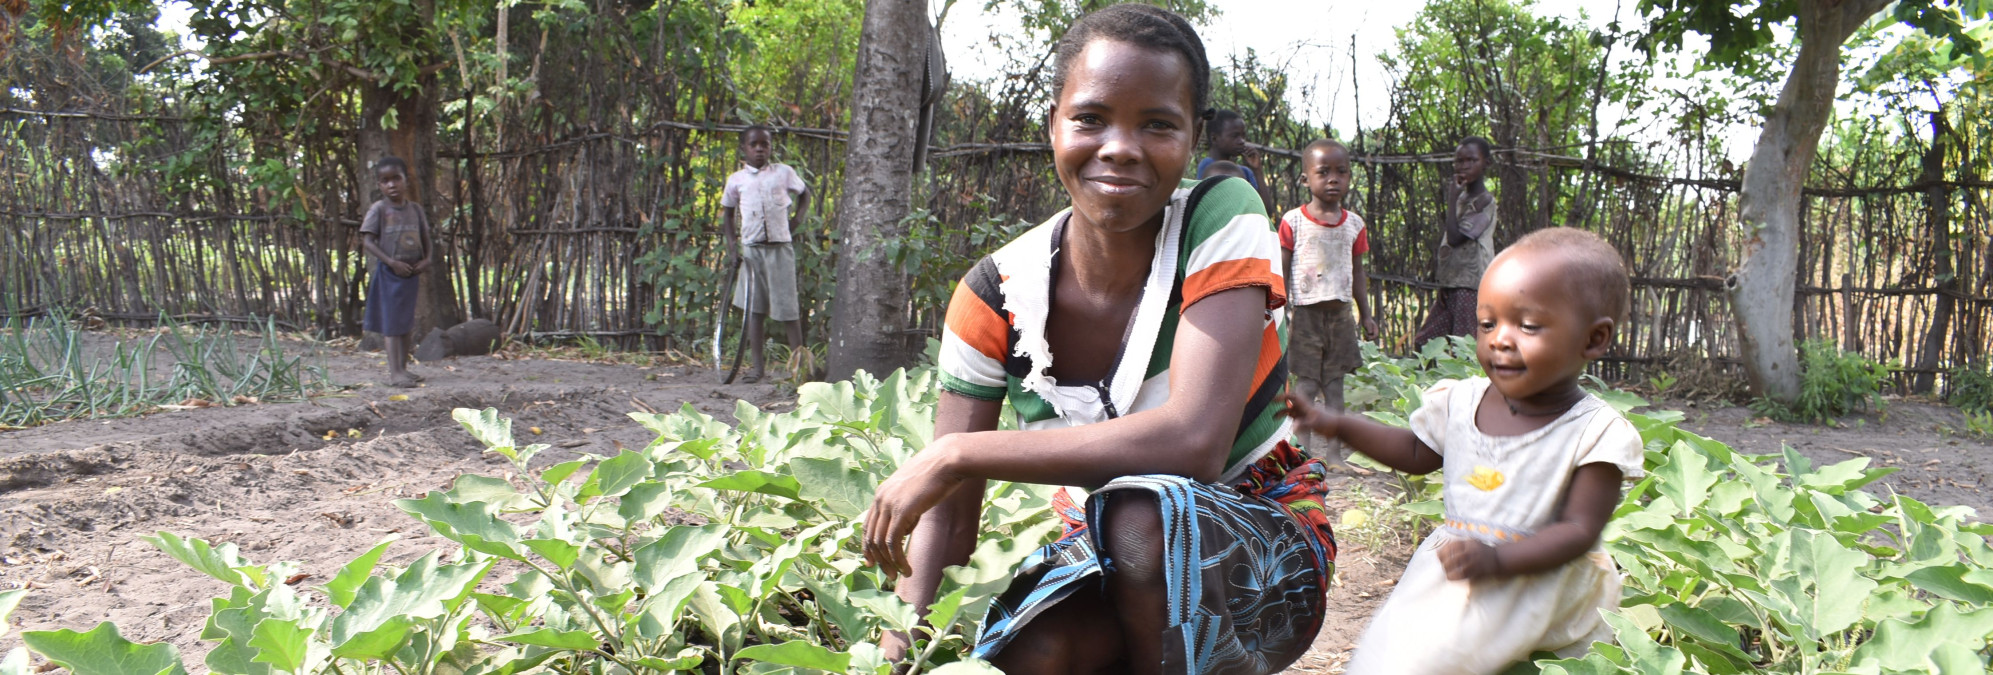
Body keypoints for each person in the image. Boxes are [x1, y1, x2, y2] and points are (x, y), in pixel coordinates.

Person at [860, 5, 1336, 673]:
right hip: (1108, 552)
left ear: (1192, 137)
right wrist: (899, 641)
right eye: (1090, 118)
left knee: (1142, 517)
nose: (1120, 146)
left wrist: (955, 452)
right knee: (1037, 645)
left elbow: (1194, 442)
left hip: (1264, 547)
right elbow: (948, 521)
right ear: (1053, 123)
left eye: (1157, 124)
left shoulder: (1219, 215)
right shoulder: (994, 295)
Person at [1280, 227, 1643, 674]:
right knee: (1395, 657)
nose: (1500, 339)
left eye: (1528, 326)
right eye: (1488, 324)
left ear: (1594, 339)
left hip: (1541, 590)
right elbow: (1415, 452)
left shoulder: (1595, 434)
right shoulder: (1461, 402)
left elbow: (1578, 529)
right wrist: (1339, 424)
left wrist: (1499, 560)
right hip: (1461, 576)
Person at [1279, 139, 1377, 464]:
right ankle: (1301, 454)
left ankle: (1335, 455)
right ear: (1305, 179)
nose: (1333, 179)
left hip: (1340, 316)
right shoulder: (1293, 221)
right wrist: (1278, 308)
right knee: (1305, 387)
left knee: (1335, 388)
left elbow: (1358, 272)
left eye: (1341, 172)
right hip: (1306, 315)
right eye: (1323, 172)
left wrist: (1366, 315)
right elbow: (1282, 269)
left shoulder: (1354, 224)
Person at [720, 124, 810, 383]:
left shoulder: (783, 173)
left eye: (764, 144)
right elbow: (728, 214)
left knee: (788, 310)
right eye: (753, 145)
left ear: (771, 147)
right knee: (754, 310)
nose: (759, 149)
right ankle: (757, 369)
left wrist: (796, 220)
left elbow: (805, 194)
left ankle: (800, 371)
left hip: (780, 249)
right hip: (752, 251)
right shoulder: (736, 180)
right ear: (744, 148)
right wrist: (733, 247)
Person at [1414, 136, 1497, 348]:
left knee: (1465, 346)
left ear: (1486, 163)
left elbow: (1455, 238)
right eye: (1460, 161)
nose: (1464, 166)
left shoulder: (1484, 201)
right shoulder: (1461, 199)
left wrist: (1451, 199)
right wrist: (1445, 283)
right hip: (1452, 284)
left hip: (1470, 286)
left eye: (1472, 160)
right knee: (1425, 343)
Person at [359, 156, 433, 388]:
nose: (391, 185)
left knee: (405, 323)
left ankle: (403, 367)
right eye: (385, 181)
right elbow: (368, 241)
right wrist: (391, 262)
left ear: (406, 180)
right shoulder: (379, 210)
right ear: (379, 185)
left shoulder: (415, 210)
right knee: (392, 324)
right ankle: (395, 373)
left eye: (396, 179)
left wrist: (427, 259)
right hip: (390, 274)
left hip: (411, 273)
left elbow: (426, 237)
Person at [1196, 109, 1277, 215]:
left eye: (1243, 136)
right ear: (1214, 138)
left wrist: (1257, 170)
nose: (1242, 141)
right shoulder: (1208, 166)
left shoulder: (1245, 172)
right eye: (1235, 136)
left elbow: (1266, 212)